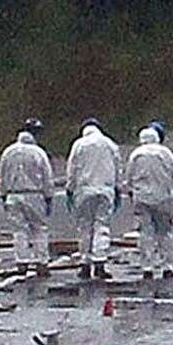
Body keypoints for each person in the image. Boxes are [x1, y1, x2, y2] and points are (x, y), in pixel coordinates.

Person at [65, 118, 121, 279]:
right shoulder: (110, 144)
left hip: (84, 190)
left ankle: (85, 263)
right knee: (101, 225)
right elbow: (118, 167)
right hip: (105, 189)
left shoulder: (79, 144)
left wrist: (70, 189)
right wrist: (117, 188)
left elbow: (72, 168)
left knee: (85, 227)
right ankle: (100, 262)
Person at [124, 125, 173, 281]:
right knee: (164, 232)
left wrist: (131, 192)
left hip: (142, 198)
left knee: (145, 233)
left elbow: (129, 177)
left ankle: (147, 267)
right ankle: (167, 266)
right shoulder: (165, 153)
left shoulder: (136, 154)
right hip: (163, 197)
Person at [0, 119, 53, 277]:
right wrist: (49, 197)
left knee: (19, 230)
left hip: (13, 195)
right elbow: (47, 177)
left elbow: (2, 176)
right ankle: (41, 262)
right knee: (39, 229)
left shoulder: (8, 151)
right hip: (34, 195)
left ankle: (21, 262)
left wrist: (4, 194)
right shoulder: (38, 152)